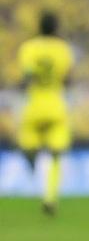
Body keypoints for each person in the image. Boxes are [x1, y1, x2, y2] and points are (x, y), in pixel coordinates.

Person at [16, 11, 74, 215]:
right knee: (57, 155)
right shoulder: (63, 49)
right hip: (56, 106)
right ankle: (50, 198)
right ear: (56, 28)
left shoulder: (28, 48)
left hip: (34, 106)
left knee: (28, 147)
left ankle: (31, 157)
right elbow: (68, 79)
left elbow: (26, 77)